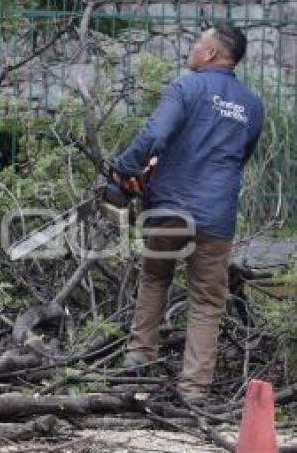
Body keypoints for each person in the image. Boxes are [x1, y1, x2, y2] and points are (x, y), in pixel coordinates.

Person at [112, 22, 264, 403]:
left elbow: (154, 134)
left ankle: (137, 364)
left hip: (167, 210)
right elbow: (241, 156)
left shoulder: (186, 87)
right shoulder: (251, 104)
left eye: (199, 43)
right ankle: (194, 391)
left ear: (211, 53)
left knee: (154, 279)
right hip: (216, 215)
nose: (193, 48)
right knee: (207, 301)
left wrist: (123, 171)